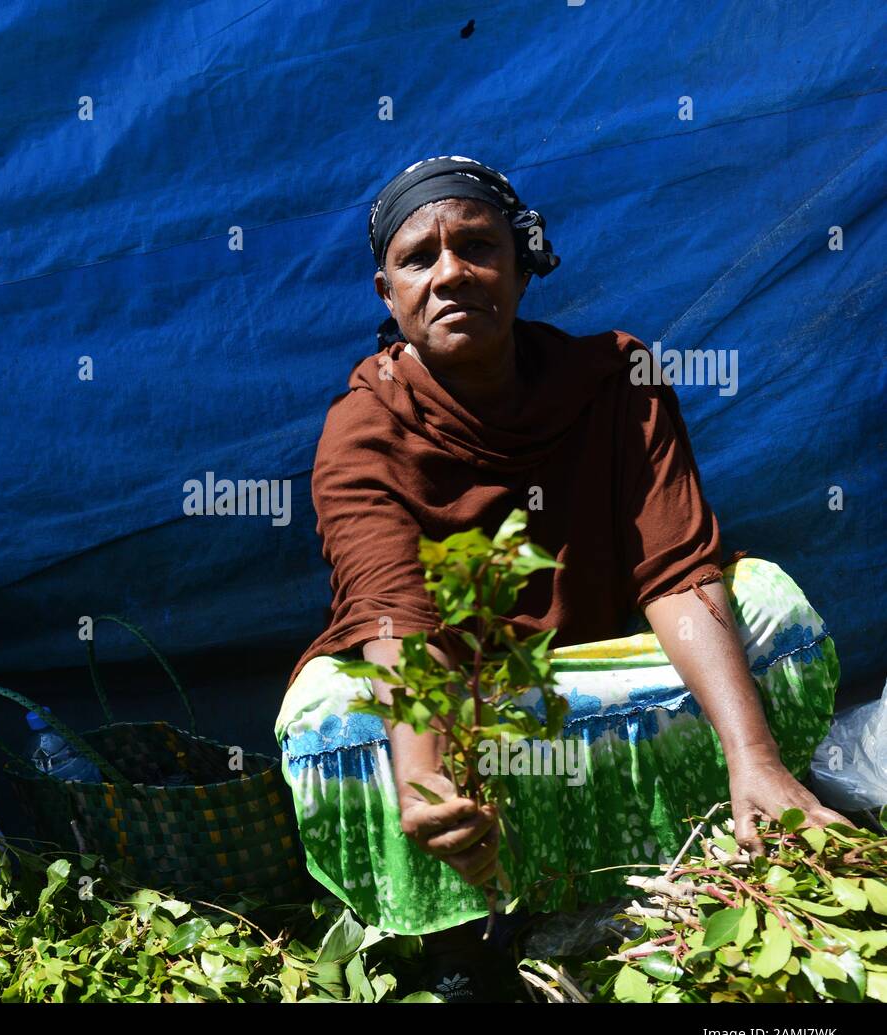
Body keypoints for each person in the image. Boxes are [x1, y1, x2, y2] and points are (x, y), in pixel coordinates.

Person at [275, 156, 844, 987]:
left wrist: (751, 750)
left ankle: (726, 824)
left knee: (767, 606)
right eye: (418, 259)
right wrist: (427, 774)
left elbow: (678, 568)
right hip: (469, 695)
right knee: (338, 714)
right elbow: (393, 614)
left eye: (476, 247)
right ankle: (464, 932)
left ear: (520, 264)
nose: (451, 275)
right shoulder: (364, 433)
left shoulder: (619, 380)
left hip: (607, 668)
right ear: (386, 294)